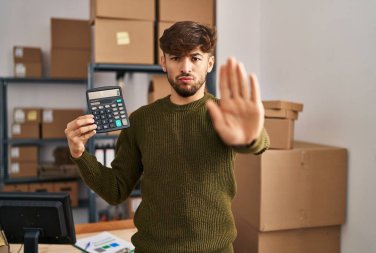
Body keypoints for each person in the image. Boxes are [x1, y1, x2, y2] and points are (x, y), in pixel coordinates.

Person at [65, 21, 269, 253]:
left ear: (209, 63)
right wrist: (79, 154)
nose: (185, 67)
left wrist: (251, 137)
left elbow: (259, 143)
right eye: (175, 58)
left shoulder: (226, 113)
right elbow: (115, 190)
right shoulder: (141, 120)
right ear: (163, 62)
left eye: (195, 58)